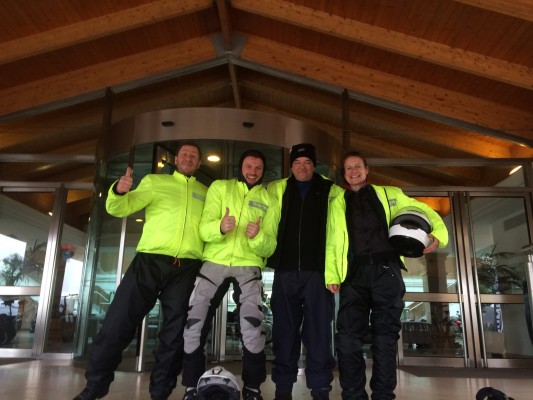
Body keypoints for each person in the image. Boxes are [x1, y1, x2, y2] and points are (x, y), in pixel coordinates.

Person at [73, 141, 207, 400]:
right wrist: (119, 191)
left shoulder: (205, 191)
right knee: (117, 323)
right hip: (150, 261)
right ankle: (94, 388)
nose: (189, 158)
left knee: (174, 336)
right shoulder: (155, 182)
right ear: (176, 160)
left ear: (199, 163)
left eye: (194, 156)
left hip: (186, 268)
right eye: (184, 154)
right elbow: (118, 208)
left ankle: (160, 393)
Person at [325, 151, 449, 400]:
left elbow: (425, 211)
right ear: (344, 174)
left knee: (385, 337)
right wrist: (332, 274)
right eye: (348, 168)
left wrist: (437, 235)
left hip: (386, 271)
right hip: (354, 273)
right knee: (348, 338)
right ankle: (353, 394)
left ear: (367, 169)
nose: (353, 171)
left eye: (357, 166)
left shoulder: (390, 193)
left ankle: (383, 394)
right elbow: (332, 241)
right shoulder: (337, 201)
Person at [181, 149, 277, 400]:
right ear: (240, 167)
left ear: (263, 171)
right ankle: (191, 388)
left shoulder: (269, 198)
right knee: (194, 324)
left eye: (258, 168)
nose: (253, 172)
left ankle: (253, 390)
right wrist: (220, 227)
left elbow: (270, 246)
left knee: (251, 327)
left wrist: (257, 237)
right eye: (248, 166)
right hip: (214, 262)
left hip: (248, 265)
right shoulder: (220, 187)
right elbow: (203, 229)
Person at [266, 143, 343, 400]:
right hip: (285, 272)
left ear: (314, 165)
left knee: (319, 334)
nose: (302, 166)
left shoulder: (331, 191)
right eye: (298, 163)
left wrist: (336, 272)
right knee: (284, 333)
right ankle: (283, 389)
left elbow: (339, 235)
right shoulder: (277, 190)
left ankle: (320, 389)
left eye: (307, 162)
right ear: (291, 166)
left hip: (318, 274)